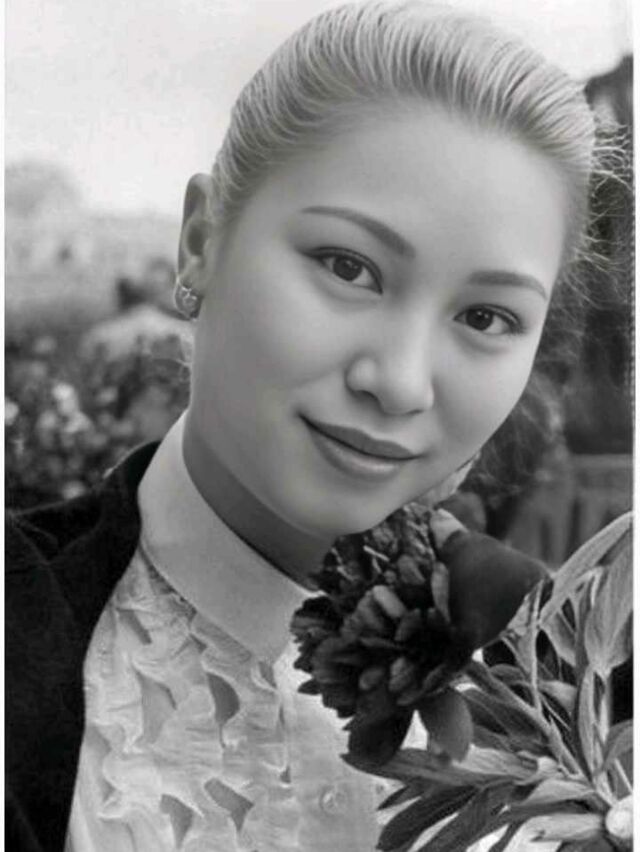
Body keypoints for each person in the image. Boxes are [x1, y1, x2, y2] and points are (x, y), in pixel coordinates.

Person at [6, 2, 618, 850]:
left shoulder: (578, 672)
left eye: (485, 317)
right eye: (348, 267)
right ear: (201, 240)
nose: (399, 382)